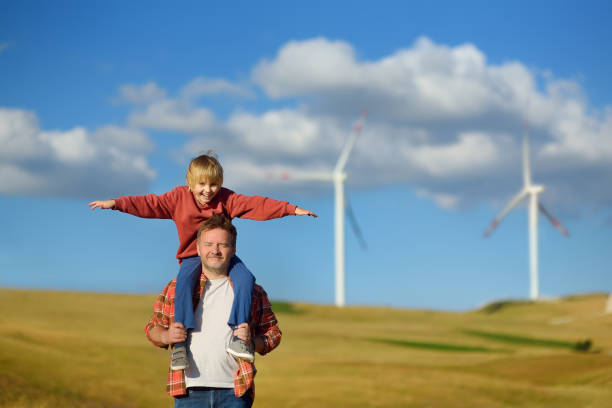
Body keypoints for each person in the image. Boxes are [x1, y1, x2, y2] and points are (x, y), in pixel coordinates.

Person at [89, 151, 314, 368]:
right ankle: (180, 343)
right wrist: (116, 203)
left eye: (214, 184)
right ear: (190, 183)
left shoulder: (226, 199)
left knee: (246, 278)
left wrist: (290, 209)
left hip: (222, 257)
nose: (208, 190)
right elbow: (149, 203)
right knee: (184, 282)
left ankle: (238, 334)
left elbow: (256, 204)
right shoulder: (177, 198)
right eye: (202, 185)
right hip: (191, 257)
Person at [145, 214, 281, 407]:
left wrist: (252, 342)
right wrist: (166, 336)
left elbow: (273, 334)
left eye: (222, 245)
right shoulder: (177, 288)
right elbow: (152, 329)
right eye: (208, 244)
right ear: (198, 249)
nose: (215, 251)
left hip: (235, 392)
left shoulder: (251, 291)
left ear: (233, 249)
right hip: (189, 393)